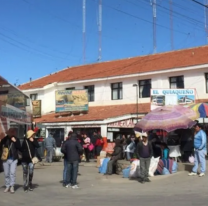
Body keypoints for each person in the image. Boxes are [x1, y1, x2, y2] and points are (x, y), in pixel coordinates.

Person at [0, 128, 21, 193]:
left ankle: (12, 186)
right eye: (10, 133)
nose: (11, 134)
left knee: (12, 173)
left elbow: (19, 147)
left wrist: (15, 141)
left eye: (12, 133)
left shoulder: (17, 139)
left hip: (13, 159)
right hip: (5, 159)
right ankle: (7, 186)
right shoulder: (4, 139)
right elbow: (1, 147)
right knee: (6, 174)